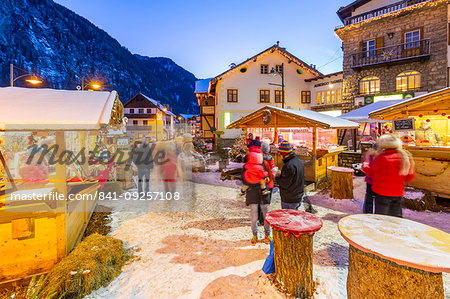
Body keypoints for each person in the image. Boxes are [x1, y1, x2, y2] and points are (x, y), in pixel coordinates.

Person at [365, 134, 415, 217]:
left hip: (382, 193)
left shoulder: (381, 158)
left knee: (382, 219)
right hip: (398, 193)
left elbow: (374, 175)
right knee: (396, 219)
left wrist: (366, 168)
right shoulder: (405, 157)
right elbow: (409, 177)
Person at [242, 142, 272, 245]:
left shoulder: (247, 167)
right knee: (266, 216)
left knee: (254, 217)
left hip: (252, 195)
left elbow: (244, 180)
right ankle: (267, 236)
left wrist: (251, 182)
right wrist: (264, 179)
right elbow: (268, 176)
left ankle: (255, 236)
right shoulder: (262, 165)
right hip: (263, 195)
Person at [276, 141, 305, 210]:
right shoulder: (298, 161)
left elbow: (284, 184)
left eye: (280, 154)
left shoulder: (289, 166)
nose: (279, 156)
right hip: (297, 196)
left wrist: (277, 176)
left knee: (288, 219)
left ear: (284, 154)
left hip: (290, 199)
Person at [361, 147, 377, 213]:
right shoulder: (384, 156)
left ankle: (367, 214)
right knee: (378, 201)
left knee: (369, 198)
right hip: (378, 182)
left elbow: (364, 167)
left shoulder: (369, 155)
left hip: (371, 181)